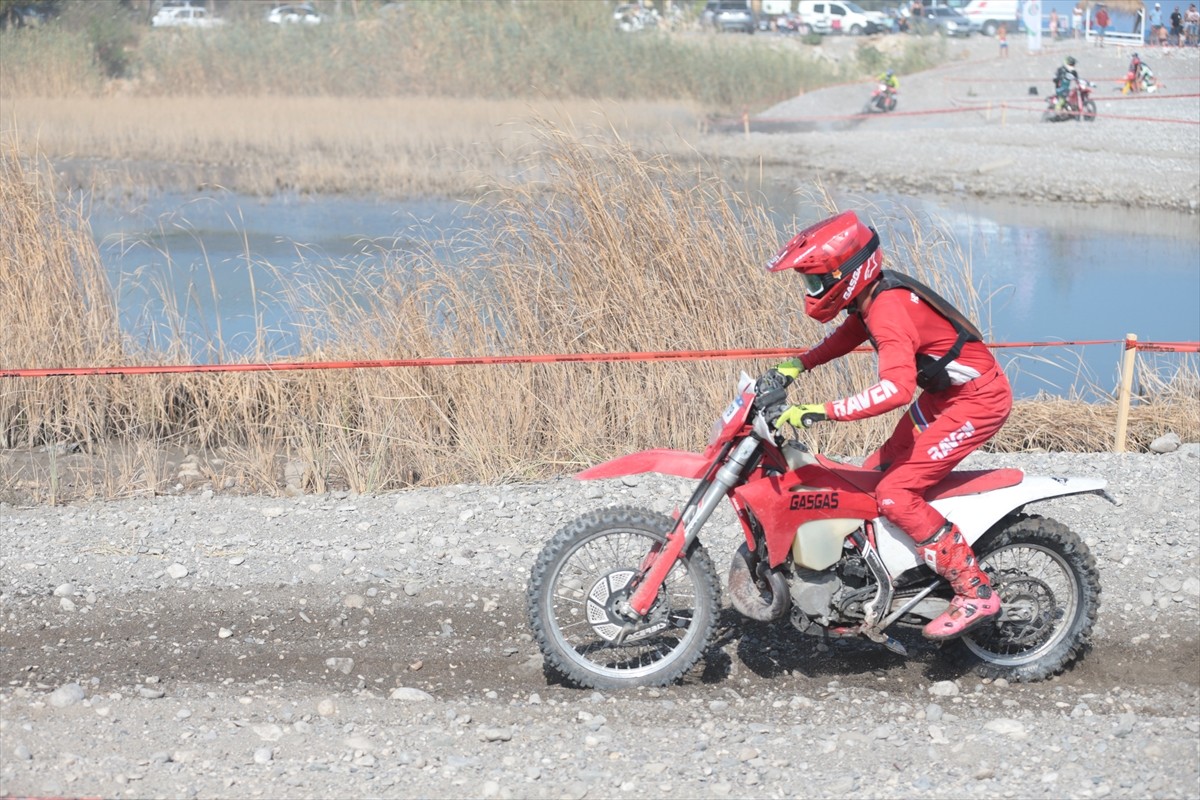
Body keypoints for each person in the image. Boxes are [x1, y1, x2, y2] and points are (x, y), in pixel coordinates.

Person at [761, 211, 1012, 640]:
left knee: (895, 494)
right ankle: (894, 576)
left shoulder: (888, 311)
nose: (813, 292)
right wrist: (796, 365)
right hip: (943, 398)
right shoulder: (871, 298)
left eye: (817, 282)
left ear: (847, 273)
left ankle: (974, 589)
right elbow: (846, 336)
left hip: (978, 403)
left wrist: (817, 410)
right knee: (874, 471)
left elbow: (895, 391)